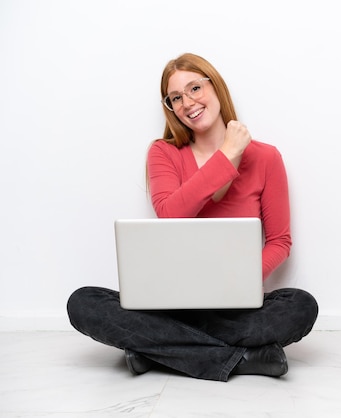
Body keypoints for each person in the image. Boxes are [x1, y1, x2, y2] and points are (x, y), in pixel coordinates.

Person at [66, 53, 318, 381]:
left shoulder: (266, 157)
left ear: (216, 87)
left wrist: (240, 278)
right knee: (83, 303)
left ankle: (156, 352)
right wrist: (228, 154)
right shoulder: (163, 153)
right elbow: (171, 214)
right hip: (171, 302)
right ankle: (246, 358)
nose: (187, 102)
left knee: (300, 305)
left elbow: (280, 241)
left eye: (195, 88)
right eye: (176, 98)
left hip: (235, 306)